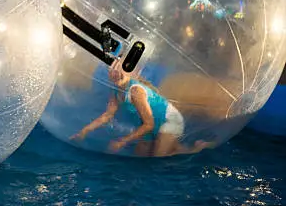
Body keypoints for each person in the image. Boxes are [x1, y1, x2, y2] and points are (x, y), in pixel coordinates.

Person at [70, 58, 214, 157]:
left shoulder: (135, 91)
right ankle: (182, 146)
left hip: (168, 121)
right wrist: (84, 131)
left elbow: (149, 123)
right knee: (141, 158)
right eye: (112, 69)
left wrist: (122, 141)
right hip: (150, 125)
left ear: (129, 71)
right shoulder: (115, 90)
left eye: (120, 69)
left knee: (158, 160)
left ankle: (199, 148)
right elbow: (108, 115)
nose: (116, 73)